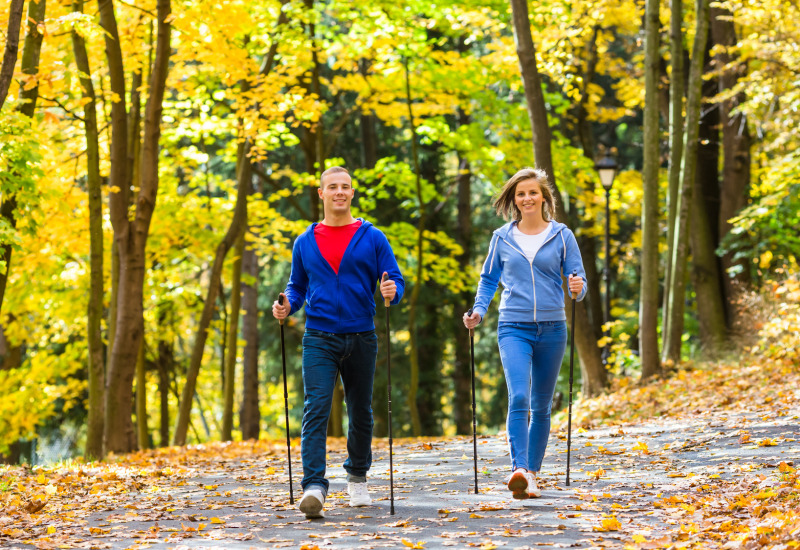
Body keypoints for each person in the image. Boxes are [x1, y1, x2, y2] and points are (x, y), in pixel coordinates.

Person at [273, 166, 404, 519]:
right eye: (332, 187)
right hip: (319, 336)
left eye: (345, 186)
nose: (339, 192)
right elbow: (297, 286)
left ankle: (357, 476)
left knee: (360, 409)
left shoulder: (372, 237)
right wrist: (286, 304)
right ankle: (313, 486)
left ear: (352, 192)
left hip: (362, 336)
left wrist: (392, 290)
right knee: (316, 407)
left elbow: (395, 280)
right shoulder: (305, 241)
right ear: (321, 194)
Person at [463, 167, 586, 500]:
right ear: (514, 200)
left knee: (542, 405)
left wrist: (577, 288)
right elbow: (489, 279)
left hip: (552, 328)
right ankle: (519, 468)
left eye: (533, 192)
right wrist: (478, 310)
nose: (527, 198)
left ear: (544, 197)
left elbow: (579, 282)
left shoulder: (562, 236)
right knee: (519, 397)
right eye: (521, 194)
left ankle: (531, 475)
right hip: (513, 326)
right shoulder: (501, 237)